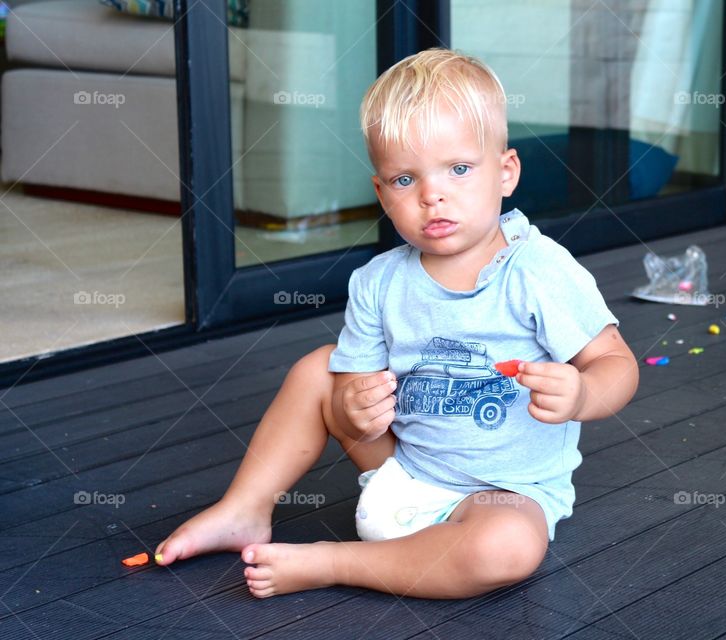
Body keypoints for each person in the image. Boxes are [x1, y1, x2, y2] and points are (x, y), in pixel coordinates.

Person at [154, 48, 639, 600]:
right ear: (382, 192)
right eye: (406, 179)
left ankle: (335, 562)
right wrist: (352, 410)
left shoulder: (539, 270)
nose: (433, 195)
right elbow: (347, 405)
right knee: (319, 368)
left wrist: (581, 394)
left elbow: (616, 364)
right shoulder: (378, 281)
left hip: (500, 496)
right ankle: (244, 507)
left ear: (505, 173)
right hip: (399, 472)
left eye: (459, 169)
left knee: (509, 547)